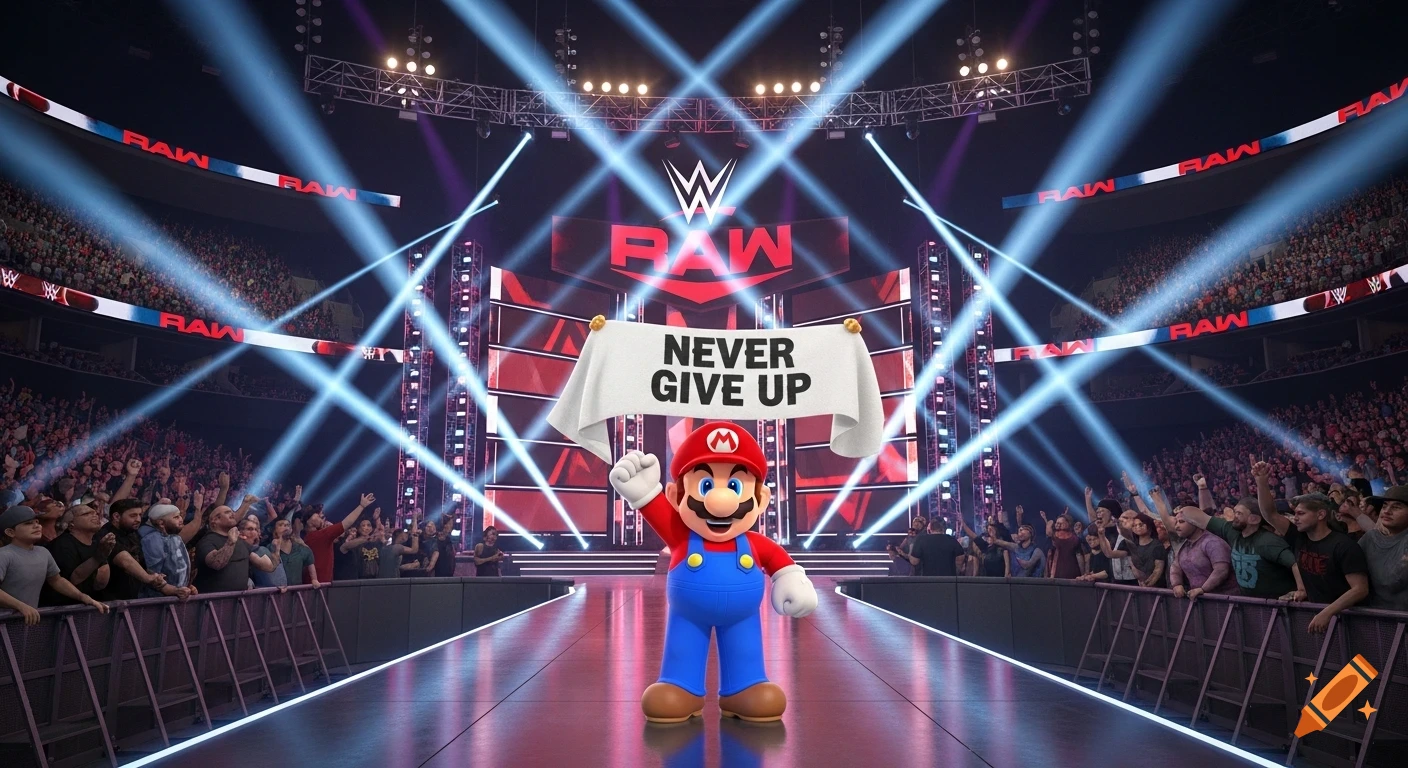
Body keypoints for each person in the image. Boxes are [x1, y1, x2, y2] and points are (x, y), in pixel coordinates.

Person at [608, 423, 817, 724]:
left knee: (746, 652)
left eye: (735, 487)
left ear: (761, 499)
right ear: (675, 496)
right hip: (688, 616)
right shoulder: (680, 535)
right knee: (682, 651)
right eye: (705, 486)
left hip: (742, 618)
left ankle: (745, 687)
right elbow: (656, 510)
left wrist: (789, 577)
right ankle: (681, 687)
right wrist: (643, 492)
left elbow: (777, 560)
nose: (720, 502)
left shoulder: (755, 543)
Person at [0, 505, 109, 624]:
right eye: (28, 523)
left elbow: (56, 580)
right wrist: (21, 606)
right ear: (10, 532)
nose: (37, 526)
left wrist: (83, 597)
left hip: (26, 622)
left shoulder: (43, 552)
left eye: (37, 522)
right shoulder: (4, 555)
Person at [1177, 497, 1299, 599]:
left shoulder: (1268, 541)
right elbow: (1201, 518)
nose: (1234, 516)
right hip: (1250, 604)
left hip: (1277, 607)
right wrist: (1183, 510)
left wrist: (1301, 590)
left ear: (1254, 519)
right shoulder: (1232, 531)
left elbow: (1295, 563)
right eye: (1235, 512)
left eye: (1239, 514)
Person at [96, 498, 171, 601]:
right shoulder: (105, 534)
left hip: (132, 599)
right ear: (116, 516)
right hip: (109, 602)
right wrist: (148, 578)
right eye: (133, 515)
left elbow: (142, 565)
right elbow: (124, 560)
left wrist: (168, 587)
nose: (138, 519)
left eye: (140, 515)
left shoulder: (132, 532)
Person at [40, 505, 115, 606]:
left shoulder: (97, 543)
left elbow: (101, 581)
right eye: (86, 514)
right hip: (63, 608)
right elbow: (74, 580)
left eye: (95, 513)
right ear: (71, 524)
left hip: (90, 605)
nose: (95, 515)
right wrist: (98, 557)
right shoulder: (62, 545)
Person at [1351, 486, 1408, 611]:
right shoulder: (1370, 538)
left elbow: (1391, 581)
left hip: (1401, 618)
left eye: (1396, 507)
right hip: (1369, 617)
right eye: (1384, 506)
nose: (1387, 511)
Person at [1168, 506, 1234, 600]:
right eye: (1176, 523)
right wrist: (1176, 584)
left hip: (1224, 600)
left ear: (1194, 522)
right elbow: (1175, 567)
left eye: (1181, 522)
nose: (1177, 526)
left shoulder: (1212, 542)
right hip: (1201, 601)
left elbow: (1221, 570)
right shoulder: (1184, 546)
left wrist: (1203, 589)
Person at [303, 494, 373, 583]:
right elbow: (346, 523)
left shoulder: (309, 538)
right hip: (319, 585)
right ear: (308, 521)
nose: (321, 519)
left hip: (318, 584)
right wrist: (361, 506)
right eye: (318, 516)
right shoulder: (320, 536)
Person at [137, 503, 194, 599]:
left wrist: (187, 586)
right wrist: (172, 590)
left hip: (178, 596)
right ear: (161, 523)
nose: (181, 519)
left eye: (180, 516)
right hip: (156, 599)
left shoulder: (175, 537)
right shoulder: (152, 540)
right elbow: (153, 574)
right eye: (176, 517)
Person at [1097, 513, 1168, 588]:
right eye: (1134, 525)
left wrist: (1147, 585)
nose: (1137, 527)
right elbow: (1109, 554)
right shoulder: (1131, 545)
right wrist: (1101, 535)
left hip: (1157, 588)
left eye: (1141, 524)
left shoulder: (1157, 546)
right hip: (1139, 588)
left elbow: (1158, 570)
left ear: (1149, 525)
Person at [191, 505, 250, 594]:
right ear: (215, 520)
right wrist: (230, 542)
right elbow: (216, 563)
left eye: (232, 511)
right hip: (212, 600)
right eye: (227, 512)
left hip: (240, 599)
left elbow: (266, 566)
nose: (232, 514)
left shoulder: (240, 540)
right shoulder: (206, 541)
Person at [271, 519, 318, 586]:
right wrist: (276, 549)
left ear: (291, 529)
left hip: (297, 590)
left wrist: (314, 580)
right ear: (275, 531)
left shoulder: (301, 548)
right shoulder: (269, 549)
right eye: (281, 525)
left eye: (288, 525)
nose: (285, 526)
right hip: (277, 589)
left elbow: (310, 562)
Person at [243, 518, 285, 588]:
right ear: (240, 532)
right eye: (250, 529)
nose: (253, 532)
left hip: (273, 591)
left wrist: (277, 550)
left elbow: (273, 570)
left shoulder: (262, 549)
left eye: (256, 530)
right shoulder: (241, 548)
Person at [1046, 513, 1086, 579]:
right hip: (1055, 574)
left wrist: (1083, 574)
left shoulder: (1075, 539)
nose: (1058, 525)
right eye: (1057, 523)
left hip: (1072, 573)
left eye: (1060, 523)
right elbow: (1049, 556)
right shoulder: (1052, 539)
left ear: (1068, 523)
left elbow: (1079, 557)